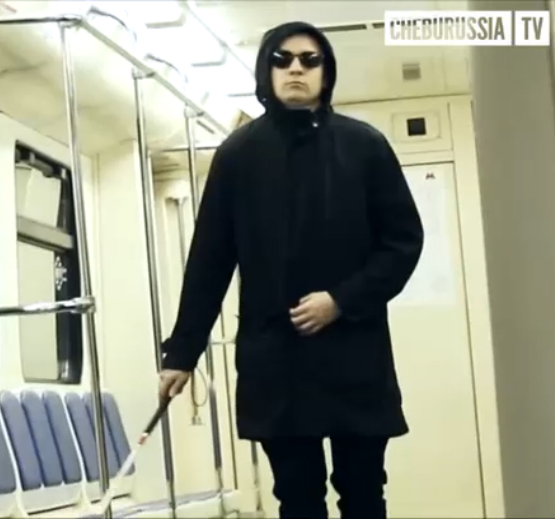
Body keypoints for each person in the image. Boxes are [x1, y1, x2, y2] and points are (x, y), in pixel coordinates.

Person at [157, 21, 424, 519]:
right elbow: (209, 262)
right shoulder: (237, 155)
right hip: (275, 357)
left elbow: (402, 243)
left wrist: (341, 300)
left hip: (354, 351)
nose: (295, 68)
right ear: (266, 70)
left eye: (309, 59)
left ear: (326, 72)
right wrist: (182, 352)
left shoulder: (365, 146)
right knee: (297, 499)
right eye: (282, 59)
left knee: (364, 492)